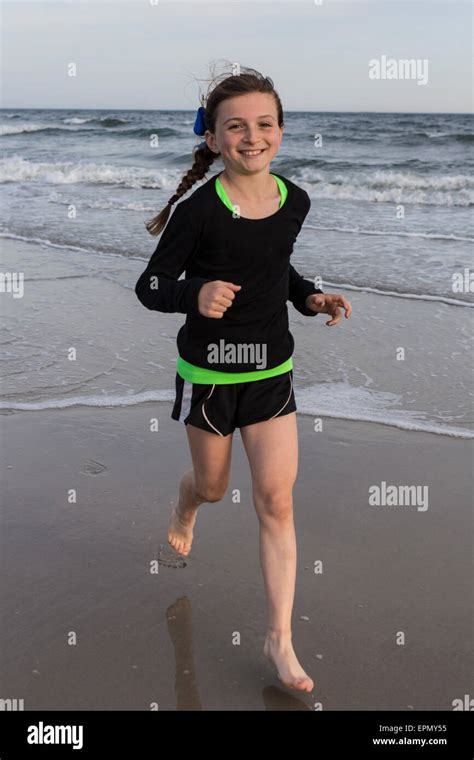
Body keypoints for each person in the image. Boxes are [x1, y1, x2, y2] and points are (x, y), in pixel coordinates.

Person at [135, 67, 352, 693]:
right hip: (208, 376)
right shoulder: (197, 210)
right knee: (211, 485)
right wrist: (194, 293)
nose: (251, 137)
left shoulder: (295, 201)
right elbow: (150, 285)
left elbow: (274, 269)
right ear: (213, 137)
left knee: (277, 501)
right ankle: (185, 504)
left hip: (271, 373)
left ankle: (279, 639)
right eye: (236, 126)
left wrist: (309, 297)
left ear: (280, 132)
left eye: (263, 124)